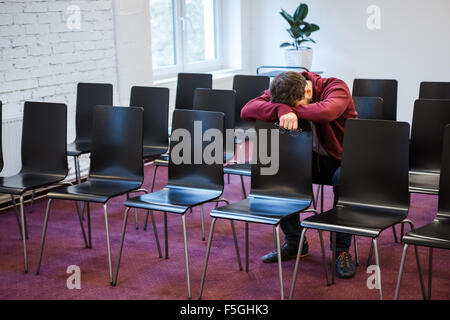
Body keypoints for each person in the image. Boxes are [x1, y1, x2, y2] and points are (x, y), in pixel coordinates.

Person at [241, 71, 358, 278]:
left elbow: (326, 112)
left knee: (345, 179)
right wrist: (280, 108)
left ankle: (341, 251)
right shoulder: (286, 87)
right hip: (310, 160)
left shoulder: (336, 87)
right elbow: (247, 110)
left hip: (342, 160)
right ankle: (295, 242)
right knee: (276, 170)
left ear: (307, 89)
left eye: (298, 104)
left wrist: (289, 111)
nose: (293, 110)